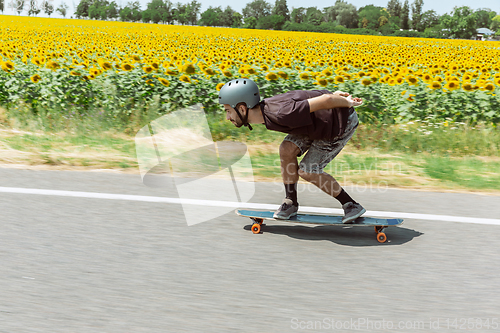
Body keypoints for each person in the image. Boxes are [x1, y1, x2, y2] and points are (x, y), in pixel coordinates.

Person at [218, 78, 365, 223]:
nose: (227, 117)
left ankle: (351, 205)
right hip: (315, 124)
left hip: (339, 123)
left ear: (242, 108)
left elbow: (326, 100)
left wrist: (347, 103)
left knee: (308, 171)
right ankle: (290, 202)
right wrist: (334, 94)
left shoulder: (281, 113)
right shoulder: (267, 111)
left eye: (229, 111)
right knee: (286, 148)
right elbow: (303, 96)